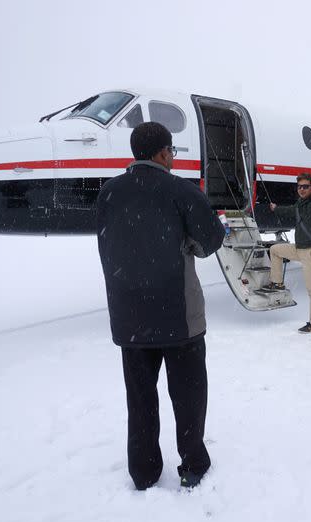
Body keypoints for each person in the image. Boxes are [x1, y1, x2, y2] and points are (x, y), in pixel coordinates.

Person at [96, 122, 226, 491]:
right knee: (188, 396)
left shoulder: (109, 193)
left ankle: (144, 471)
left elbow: (108, 246)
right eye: (171, 151)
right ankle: (193, 464)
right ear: (162, 153)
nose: (172, 157)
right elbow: (211, 239)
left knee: (140, 401)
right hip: (178, 316)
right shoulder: (180, 190)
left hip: (130, 318)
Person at [264, 172, 311, 332]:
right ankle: (277, 282)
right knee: (275, 250)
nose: (301, 189)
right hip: (299, 248)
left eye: (305, 186)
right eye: (299, 186)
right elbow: (288, 211)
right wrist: (276, 208)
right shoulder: (300, 204)